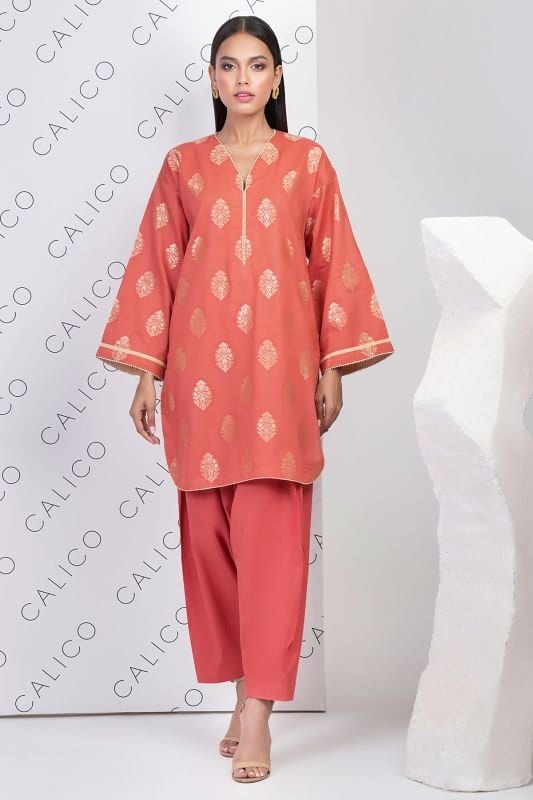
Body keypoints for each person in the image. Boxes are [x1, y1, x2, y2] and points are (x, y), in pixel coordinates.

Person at [95, 14, 395, 784]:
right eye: (228, 65)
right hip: (199, 380)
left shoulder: (307, 163)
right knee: (210, 547)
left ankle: (258, 714)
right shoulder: (183, 166)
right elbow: (157, 265)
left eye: (256, 65)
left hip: (280, 378)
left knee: (272, 547)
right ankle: (239, 694)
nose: (242, 79)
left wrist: (332, 367)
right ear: (211, 78)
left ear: (277, 77)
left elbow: (332, 263)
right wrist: (145, 371)